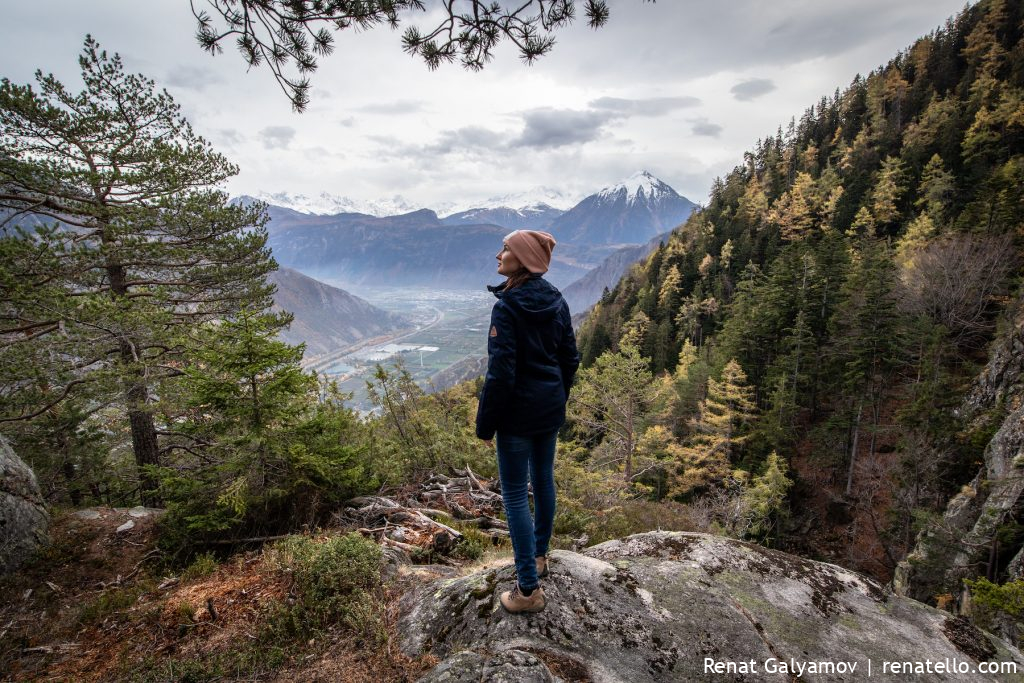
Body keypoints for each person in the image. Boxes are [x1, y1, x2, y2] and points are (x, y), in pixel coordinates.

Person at [476, 229, 580, 614]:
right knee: (544, 480)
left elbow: (500, 374)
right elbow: (570, 358)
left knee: (517, 494)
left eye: (505, 249)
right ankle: (538, 557)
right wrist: (556, 398)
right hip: (548, 411)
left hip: (517, 417)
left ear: (521, 258)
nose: (498, 255)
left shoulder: (507, 307)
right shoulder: (557, 299)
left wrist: (486, 424)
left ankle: (527, 590)